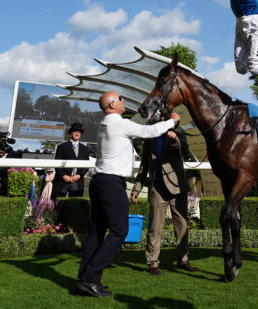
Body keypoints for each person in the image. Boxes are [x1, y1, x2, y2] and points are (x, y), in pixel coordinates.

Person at [76, 91, 180, 298]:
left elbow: (141, 128)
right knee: (119, 231)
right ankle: (90, 276)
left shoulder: (107, 123)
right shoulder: (118, 123)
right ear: (113, 104)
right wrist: (172, 121)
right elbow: (148, 132)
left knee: (97, 231)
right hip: (111, 183)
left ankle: (86, 280)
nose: (124, 100)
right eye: (121, 98)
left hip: (100, 182)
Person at [130, 126, 196, 276]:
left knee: (182, 226)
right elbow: (144, 166)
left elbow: (184, 149)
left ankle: (183, 260)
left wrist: (175, 139)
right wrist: (136, 189)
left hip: (177, 187)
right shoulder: (150, 137)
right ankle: (152, 263)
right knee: (155, 227)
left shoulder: (178, 132)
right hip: (157, 188)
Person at [54, 122, 90, 198]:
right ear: (70, 133)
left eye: (79, 132)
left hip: (78, 182)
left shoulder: (85, 149)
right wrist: (64, 176)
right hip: (62, 181)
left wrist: (79, 175)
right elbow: (57, 164)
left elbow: (86, 166)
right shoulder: (61, 147)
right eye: (75, 131)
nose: (77, 133)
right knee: (58, 205)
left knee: (75, 206)